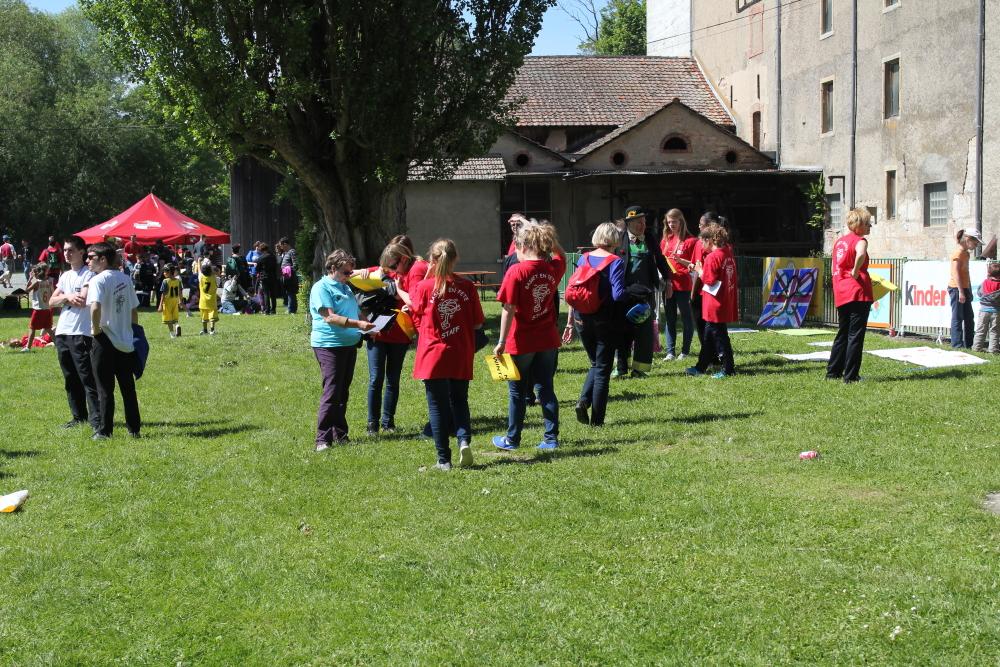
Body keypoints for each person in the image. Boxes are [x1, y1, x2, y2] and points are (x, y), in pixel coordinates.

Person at [411, 239, 484, 470]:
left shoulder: (424, 287)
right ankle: (463, 440)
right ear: (456, 259)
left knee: (437, 407)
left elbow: (416, 315)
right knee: (460, 401)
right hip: (460, 351)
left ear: (432, 260)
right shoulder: (467, 287)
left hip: (433, 355)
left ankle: (444, 459)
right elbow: (477, 322)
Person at [492, 223, 566, 451]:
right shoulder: (551, 268)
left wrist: (501, 341)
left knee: (517, 392)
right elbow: (561, 255)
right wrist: (548, 238)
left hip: (522, 340)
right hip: (547, 339)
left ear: (522, 246)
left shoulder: (516, 271)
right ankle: (551, 438)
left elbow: (508, 308)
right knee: (545, 388)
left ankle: (512, 439)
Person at [309, 249, 375, 451]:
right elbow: (329, 317)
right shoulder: (321, 288)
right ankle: (322, 439)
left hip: (348, 344)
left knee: (342, 392)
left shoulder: (345, 287)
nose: (349, 276)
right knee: (332, 391)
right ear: (332, 268)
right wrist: (358, 325)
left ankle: (340, 434)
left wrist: (370, 325)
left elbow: (356, 310)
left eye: (350, 272)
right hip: (329, 345)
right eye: (346, 272)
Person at [565, 222, 627, 427]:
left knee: (595, 363)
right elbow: (618, 295)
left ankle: (583, 401)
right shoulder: (615, 261)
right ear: (615, 240)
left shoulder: (584, 258)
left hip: (582, 318)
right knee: (602, 369)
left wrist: (570, 322)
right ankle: (597, 422)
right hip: (604, 319)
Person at [86, 242, 141, 440]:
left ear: (103, 259)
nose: (88, 261)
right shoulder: (126, 279)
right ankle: (134, 429)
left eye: (91, 257)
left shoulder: (97, 280)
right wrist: (132, 331)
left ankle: (104, 431)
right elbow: (134, 310)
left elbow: (95, 307)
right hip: (126, 341)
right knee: (128, 388)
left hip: (105, 340)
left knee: (104, 389)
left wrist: (95, 330)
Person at [363, 242, 416, 435]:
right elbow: (350, 274)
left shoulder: (409, 274)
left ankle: (388, 422)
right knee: (375, 379)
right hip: (377, 332)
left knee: (393, 379)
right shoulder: (379, 271)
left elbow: (414, 297)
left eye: (393, 266)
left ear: (401, 259)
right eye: (387, 267)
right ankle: (372, 424)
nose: (390, 270)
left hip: (400, 333)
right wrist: (361, 275)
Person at [615, 206, 672, 377]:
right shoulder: (619, 239)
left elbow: (661, 260)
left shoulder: (650, 239)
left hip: (645, 293)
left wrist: (668, 281)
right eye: (638, 222)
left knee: (644, 332)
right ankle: (620, 368)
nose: (642, 225)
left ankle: (639, 369)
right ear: (629, 223)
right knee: (622, 331)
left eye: (644, 221)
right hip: (624, 293)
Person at [49, 235, 100, 429]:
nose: (67, 254)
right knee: (70, 378)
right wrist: (68, 296)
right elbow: (50, 302)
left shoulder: (89, 274)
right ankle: (78, 417)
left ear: (81, 252)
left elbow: (83, 299)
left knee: (87, 377)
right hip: (62, 331)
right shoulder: (65, 276)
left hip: (81, 332)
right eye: (65, 250)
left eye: (71, 250)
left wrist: (63, 297)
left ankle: (97, 418)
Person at [825, 208, 875, 383]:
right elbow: (861, 253)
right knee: (855, 335)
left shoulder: (840, 242)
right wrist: (855, 271)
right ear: (859, 225)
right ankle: (851, 376)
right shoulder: (860, 240)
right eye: (868, 223)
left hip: (841, 290)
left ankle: (833, 372)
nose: (870, 227)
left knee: (843, 333)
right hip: (857, 292)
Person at [686, 223, 739, 378]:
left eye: (703, 242)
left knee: (720, 337)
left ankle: (729, 369)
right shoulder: (727, 252)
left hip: (714, 304)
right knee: (708, 337)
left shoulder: (712, 257)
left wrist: (699, 270)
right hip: (723, 300)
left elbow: (708, 280)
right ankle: (700, 367)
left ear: (710, 240)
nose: (702, 246)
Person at [659, 209, 697, 361]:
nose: (671, 224)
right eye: (668, 222)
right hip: (668, 284)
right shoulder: (665, 240)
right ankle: (670, 352)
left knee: (686, 318)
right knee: (670, 318)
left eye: (674, 221)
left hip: (683, 285)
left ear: (681, 221)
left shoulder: (691, 241)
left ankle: (685, 352)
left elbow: (695, 264)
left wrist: (681, 262)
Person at [949, 228, 983, 348]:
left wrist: (968, 289)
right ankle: (957, 345)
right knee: (958, 317)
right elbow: (956, 273)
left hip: (964, 288)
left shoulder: (966, 253)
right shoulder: (958, 254)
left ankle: (969, 344)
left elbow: (966, 273)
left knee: (969, 317)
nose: (977, 244)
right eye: (976, 242)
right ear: (968, 239)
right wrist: (961, 292)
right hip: (956, 289)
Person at [24, 263, 54, 352]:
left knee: (32, 328)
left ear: (37, 272)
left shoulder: (37, 282)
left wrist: (30, 278)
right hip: (47, 308)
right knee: (48, 328)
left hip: (38, 309)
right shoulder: (49, 281)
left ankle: (28, 348)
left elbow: (26, 290)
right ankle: (58, 344)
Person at [972, 260, 1000, 353]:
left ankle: (976, 348)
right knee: (994, 331)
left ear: (988, 272)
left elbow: (980, 293)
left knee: (980, 330)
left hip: (984, 310)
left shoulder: (984, 282)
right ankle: (993, 350)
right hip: (996, 311)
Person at [157, 263, 182, 337]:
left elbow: (163, 294)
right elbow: (180, 291)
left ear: (169, 272)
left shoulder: (165, 281)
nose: (164, 273)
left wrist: (160, 305)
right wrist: (180, 301)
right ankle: (177, 325)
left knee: (168, 319)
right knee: (174, 317)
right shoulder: (178, 281)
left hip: (167, 302)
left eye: (165, 272)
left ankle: (172, 334)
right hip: (175, 301)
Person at [277, 236, 300, 314]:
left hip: (291, 276)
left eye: (281, 245)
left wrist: (288, 269)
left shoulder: (292, 251)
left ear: (285, 244)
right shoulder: (286, 253)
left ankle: (291, 310)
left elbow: (296, 265)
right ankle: (291, 309)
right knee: (289, 292)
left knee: (291, 292)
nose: (281, 248)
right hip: (286, 276)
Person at [197, 260, 219, 335]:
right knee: (211, 316)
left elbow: (199, 270)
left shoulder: (201, 277)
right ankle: (212, 330)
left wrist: (198, 261)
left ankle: (205, 330)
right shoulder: (214, 278)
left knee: (204, 316)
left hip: (203, 301)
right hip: (212, 300)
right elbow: (215, 271)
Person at [255, 242, 278, 315]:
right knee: (273, 294)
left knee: (266, 294)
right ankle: (273, 309)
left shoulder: (261, 258)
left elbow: (257, 269)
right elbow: (276, 267)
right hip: (273, 276)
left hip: (264, 277)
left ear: (262, 250)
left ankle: (267, 310)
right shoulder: (273, 257)